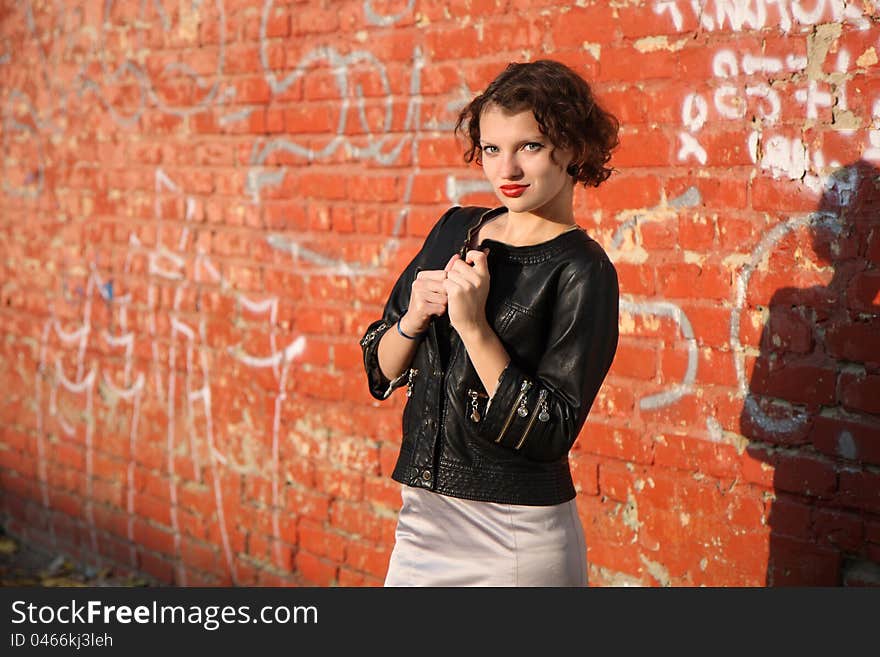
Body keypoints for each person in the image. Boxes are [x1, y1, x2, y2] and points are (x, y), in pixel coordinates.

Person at [359, 59, 620, 586]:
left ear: (572, 148)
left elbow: (551, 432)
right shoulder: (455, 228)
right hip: (422, 524)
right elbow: (378, 369)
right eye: (493, 149)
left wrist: (475, 328)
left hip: (514, 535)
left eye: (529, 146)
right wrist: (411, 319)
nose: (507, 172)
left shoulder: (583, 270)